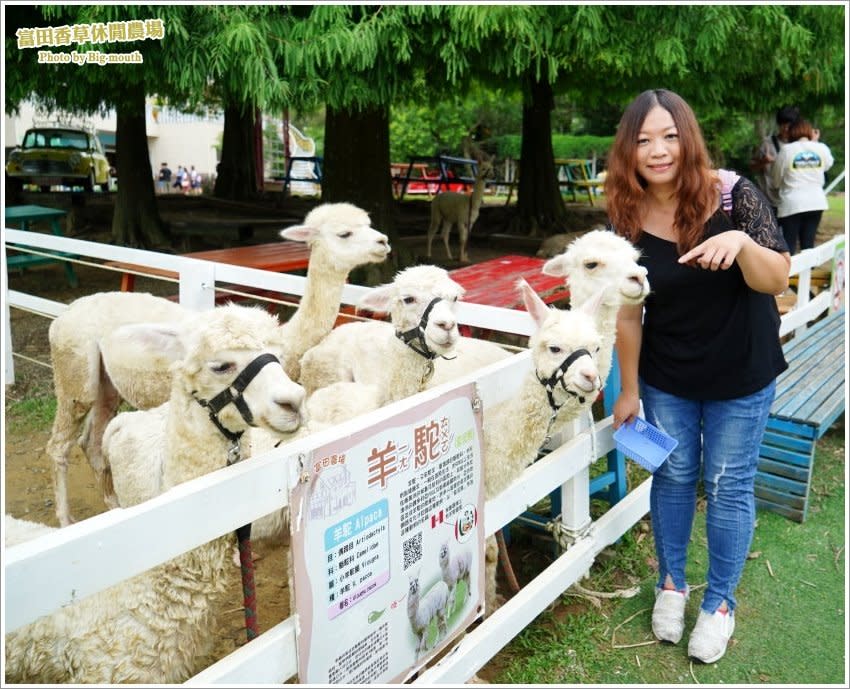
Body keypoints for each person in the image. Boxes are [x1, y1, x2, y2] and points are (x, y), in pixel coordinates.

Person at [604, 89, 791, 664]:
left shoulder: (734, 196)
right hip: (667, 375)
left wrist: (738, 243)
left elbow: (777, 279)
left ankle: (720, 603)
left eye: (668, 136)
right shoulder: (626, 215)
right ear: (627, 151)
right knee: (676, 474)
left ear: (687, 138)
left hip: (742, 372)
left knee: (730, 483)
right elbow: (629, 312)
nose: (658, 151)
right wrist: (630, 388)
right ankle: (672, 583)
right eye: (643, 140)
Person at [769, 118, 834, 254]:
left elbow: (775, 179)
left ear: (791, 132)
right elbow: (828, 164)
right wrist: (815, 143)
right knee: (808, 243)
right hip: (816, 201)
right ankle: (808, 273)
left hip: (792, 202)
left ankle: (787, 274)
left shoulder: (786, 150)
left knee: (789, 244)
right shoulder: (821, 148)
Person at [749, 104, 800, 218]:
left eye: (789, 125)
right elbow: (752, 167)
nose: (786, 128)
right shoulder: (767, 143)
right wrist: (764, 161)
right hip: (769, 199)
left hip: (791, 201)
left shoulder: (799, 146)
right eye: (783, 125)